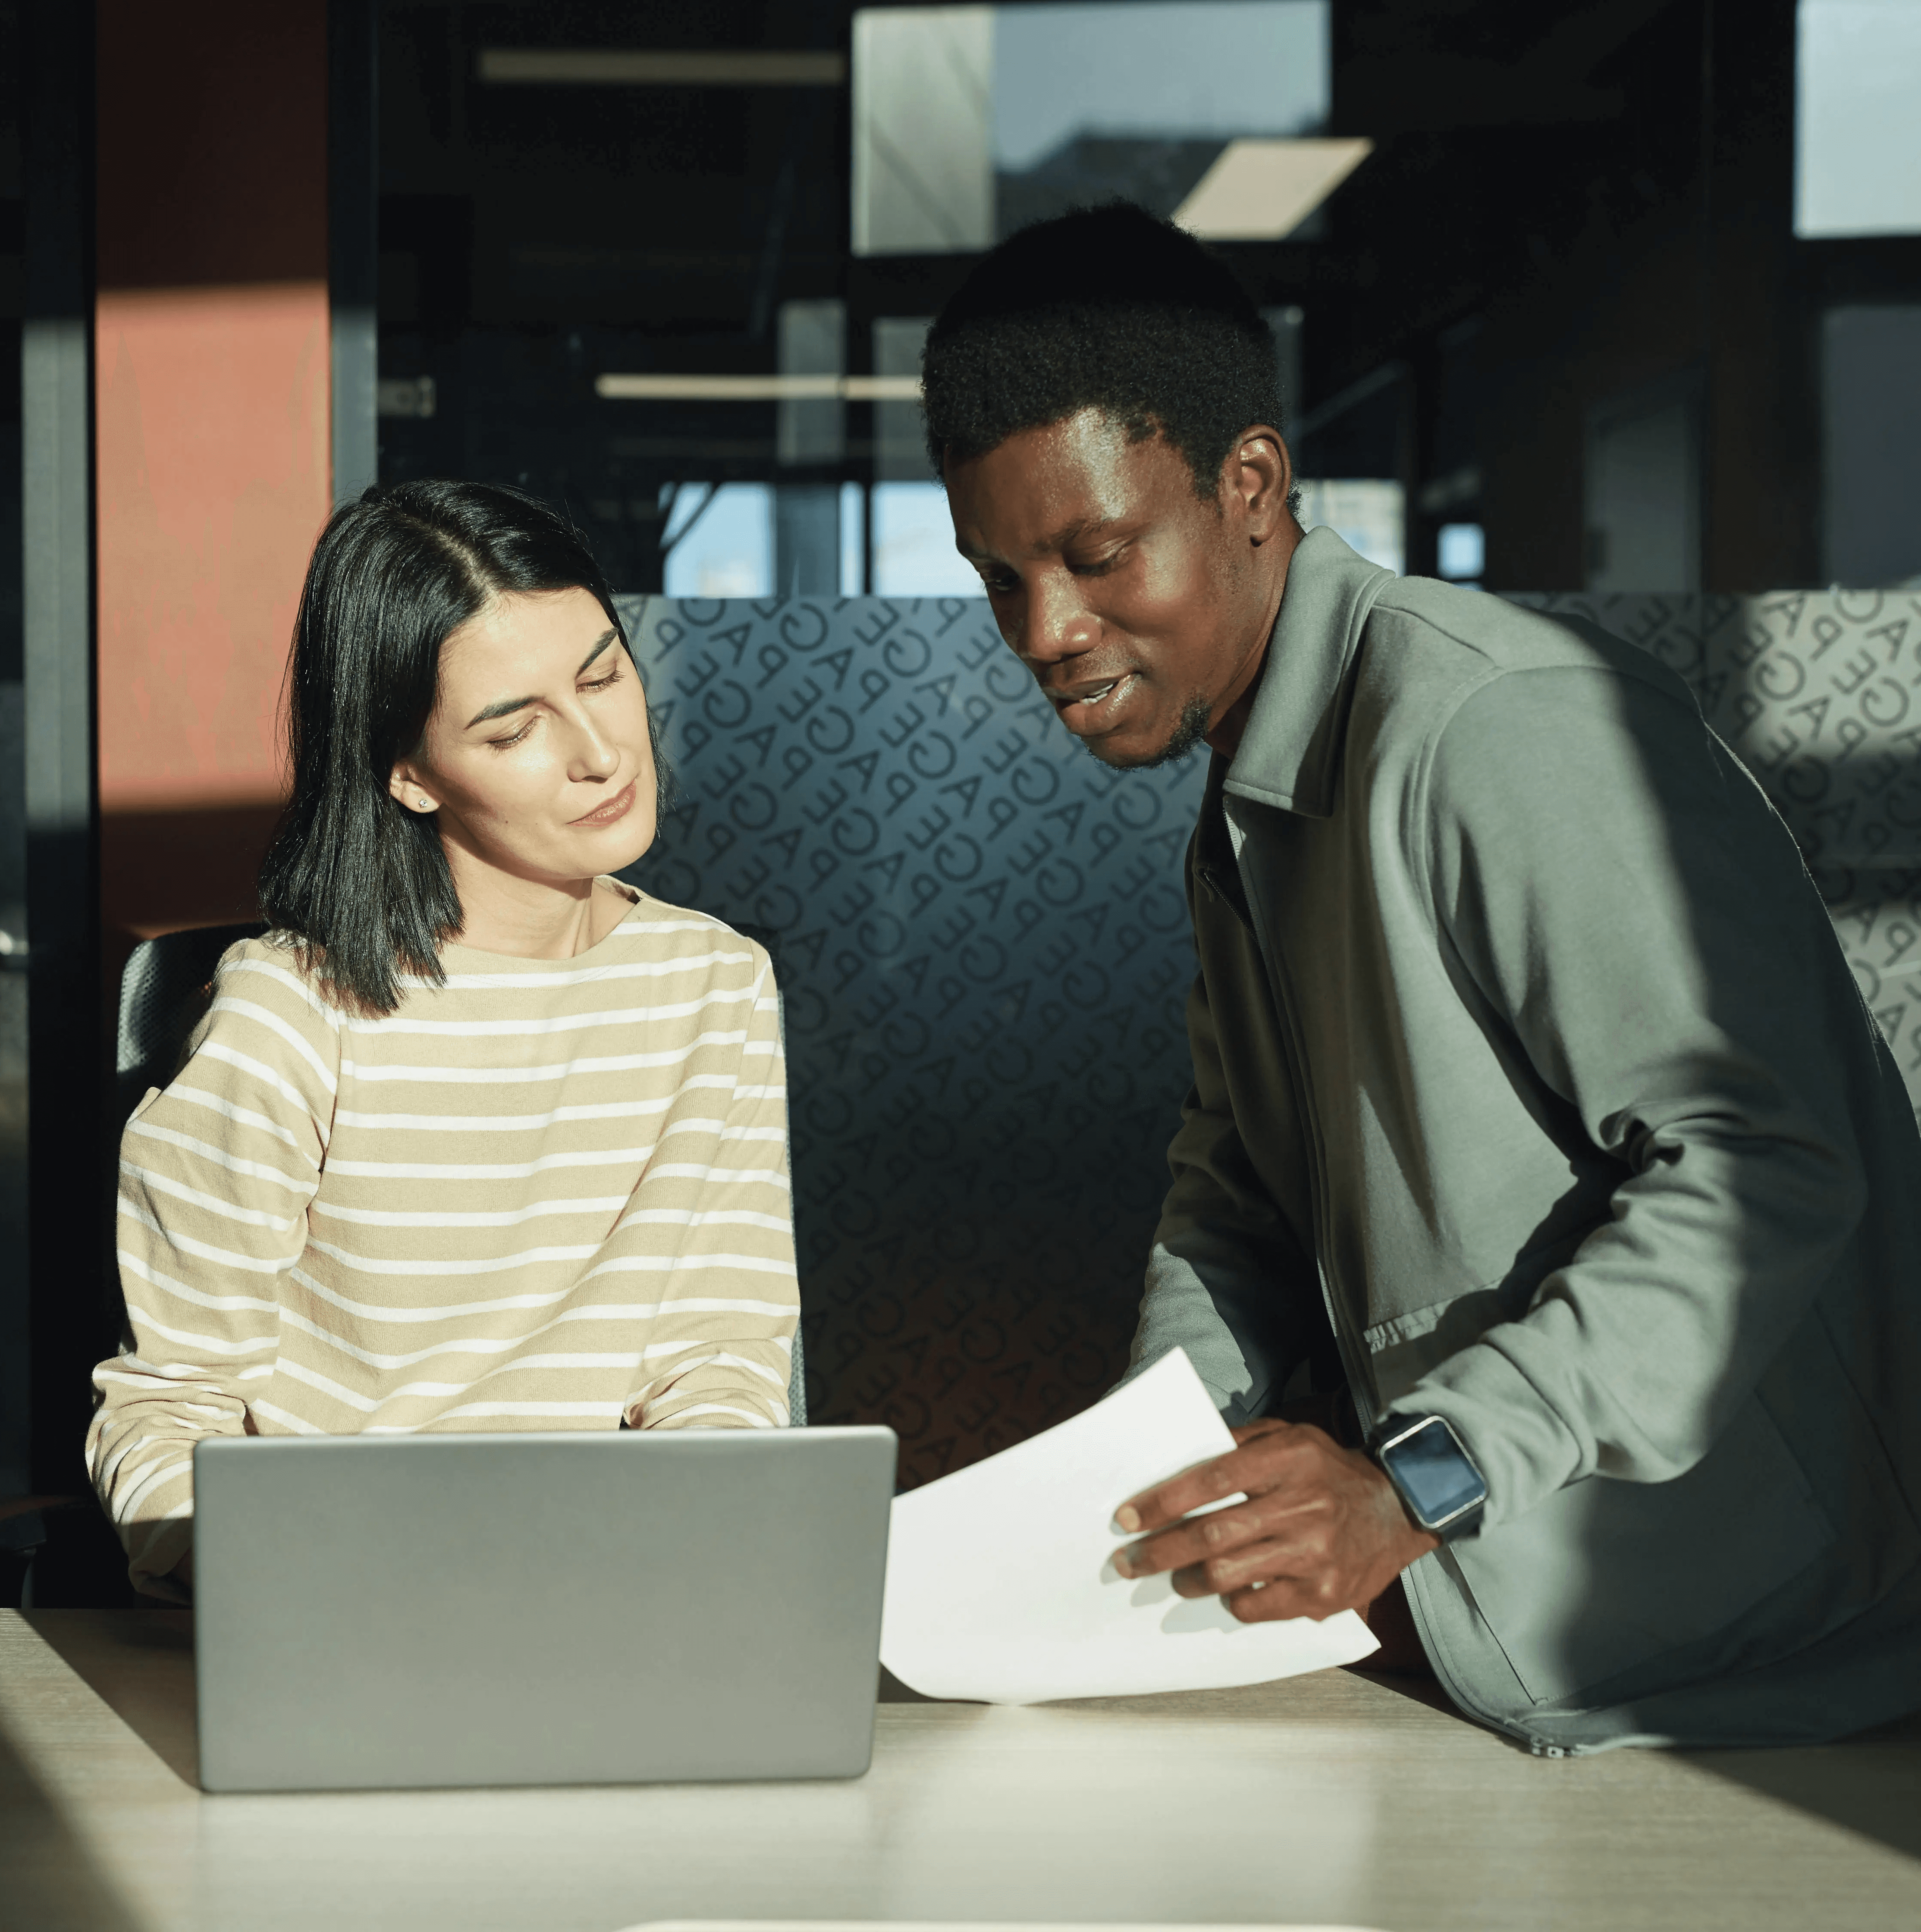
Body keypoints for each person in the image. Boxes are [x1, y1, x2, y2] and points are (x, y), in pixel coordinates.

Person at [923, 202, 1921, 1752]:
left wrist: (1414, 1482)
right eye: (999, 577)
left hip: (1762, 1672)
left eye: (1095, 553)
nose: (1045, 630)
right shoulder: (1247, 795)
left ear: (1248, 485)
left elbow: (1768, 1169)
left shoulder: (1498, 728)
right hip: (1501, 1637)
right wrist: (1128, 1523)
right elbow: (1233, 1207)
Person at [89, 481, 798, 1601]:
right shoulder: (292, 1012)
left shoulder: (712, 983)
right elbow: (170, 1402)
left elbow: (718, 1350)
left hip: (612, 1586)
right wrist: (248, 1579)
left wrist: (703, 1541)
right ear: (407, 774)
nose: (600, 753)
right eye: (513, 728)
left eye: (603, 676)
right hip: (342, 1589)